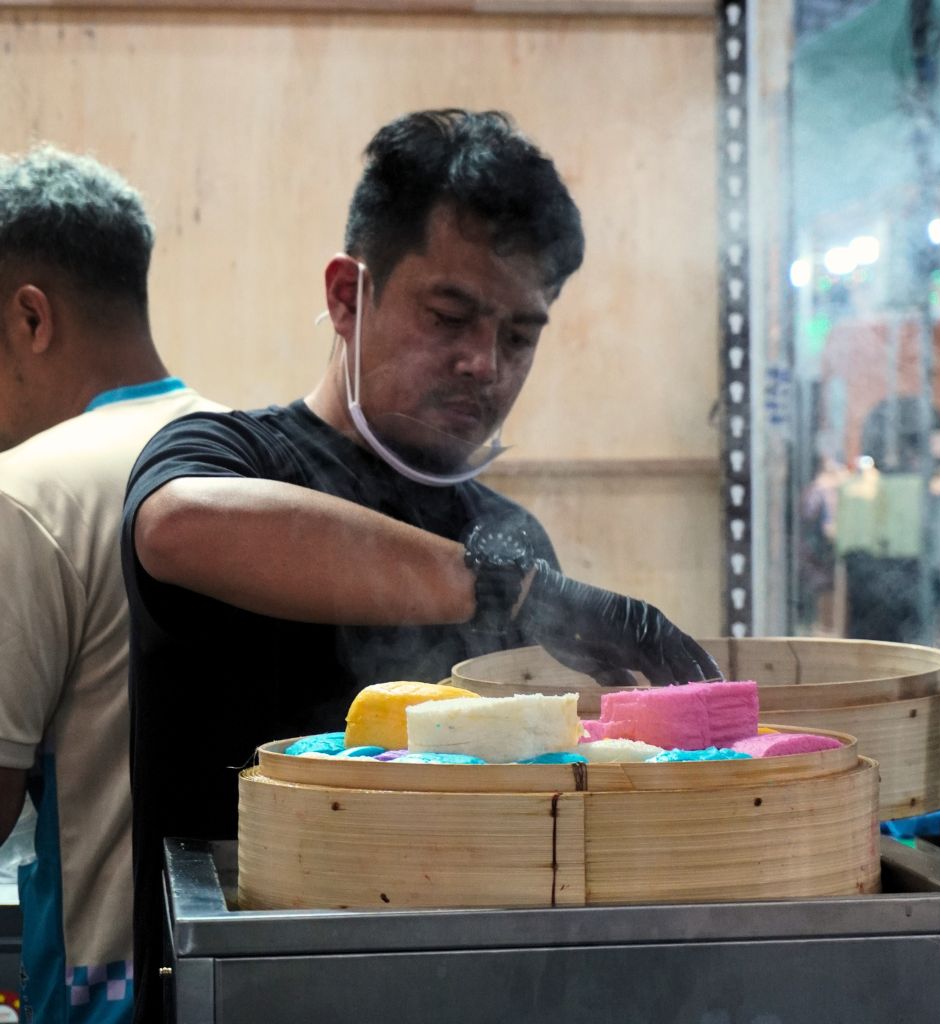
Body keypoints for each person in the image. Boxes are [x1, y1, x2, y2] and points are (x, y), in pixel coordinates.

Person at [121, 109, 719, 1023]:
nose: (483, 363)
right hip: (252, 990)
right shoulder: (230, 456)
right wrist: (502, 590)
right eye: (449, 316)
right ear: (346, 296)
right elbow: (177, 527)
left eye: (520, 335)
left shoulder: (510, 535)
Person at [0, 145, 222, 1024]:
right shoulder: (243, 453)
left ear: (30, 318)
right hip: (241, 980)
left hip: (106, 997)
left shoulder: (28, 492)